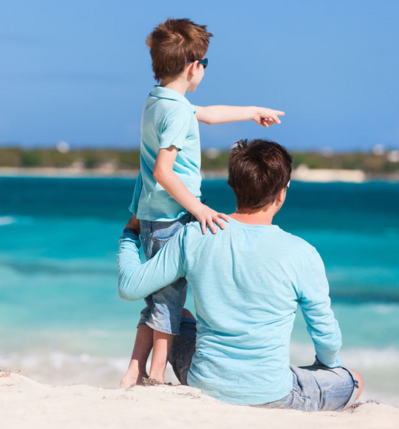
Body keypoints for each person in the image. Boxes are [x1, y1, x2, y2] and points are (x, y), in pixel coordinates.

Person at [118, 139, 363, 411]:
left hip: (203, 384)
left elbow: (130, 287)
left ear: (233, 186)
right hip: (272, 394)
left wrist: (130, 235)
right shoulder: (302, 254)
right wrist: (326, 366)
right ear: (282, 193)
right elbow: (326, 338)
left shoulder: (196, 234)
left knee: (180, 317)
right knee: (353, 380)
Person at [121, 18, 285, 388]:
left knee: (157, 300)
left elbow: (208, 114)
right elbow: (163, 170)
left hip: (152, 214)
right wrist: (198, 209)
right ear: (194, 67)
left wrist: (252, 110)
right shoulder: (177, 111)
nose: (204, 71)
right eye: (205, 64)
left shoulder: (159, 100)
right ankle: (156, 377)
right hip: (172, 217)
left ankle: (135, 369)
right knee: (169, 304)